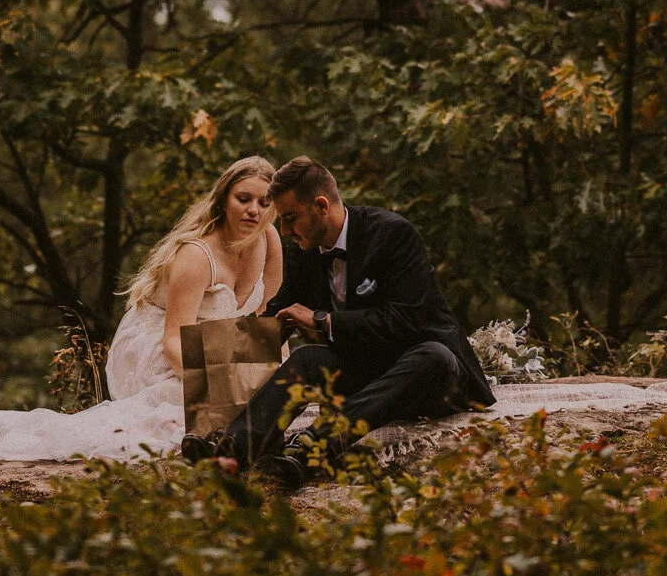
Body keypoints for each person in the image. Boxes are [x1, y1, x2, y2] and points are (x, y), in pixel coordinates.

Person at [0, 156, 281, 463]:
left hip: (212, 344)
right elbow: (174, 341)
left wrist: (249, 363)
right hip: (161, 347)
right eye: (243, 199)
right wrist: (218, 378)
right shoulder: (197, 255)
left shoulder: (267, 240)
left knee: (281, 390)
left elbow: (263, 314)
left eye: (264, 203)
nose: (254, 210)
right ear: (223, 201)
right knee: (187, 411)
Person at [183, 155, 494, 490]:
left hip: (427, 375)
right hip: (366, 371)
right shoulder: (304, 249)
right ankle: (230, 449)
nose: (284, 231)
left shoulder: (392, 234)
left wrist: (322, 319)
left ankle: (311, 447)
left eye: (290, 219)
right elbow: (280, 308)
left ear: (320, 206)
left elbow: (407, 320)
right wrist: (219, 361)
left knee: (434, 356)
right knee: (307, 359)